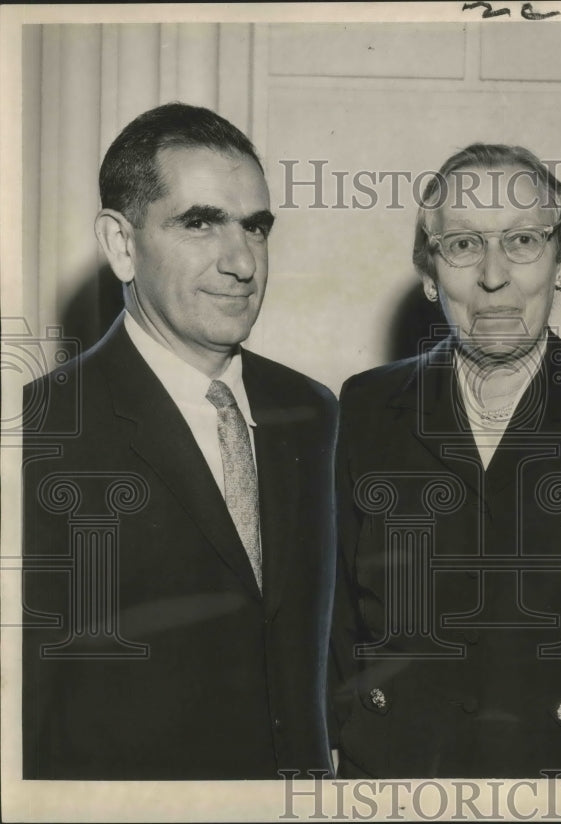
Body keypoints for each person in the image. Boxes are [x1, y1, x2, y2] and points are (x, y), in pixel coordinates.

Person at [21, 103, 338, 779]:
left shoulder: (313, 412)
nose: (242, 262)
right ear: (121, 244)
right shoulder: (40, 432)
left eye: (256, 228)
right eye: (201, 223)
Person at [331, 143, 561, 778]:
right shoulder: (367, 407)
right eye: (462, 244)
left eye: (522, 242)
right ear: (431, 275)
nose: (493, 275)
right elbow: (336, 614)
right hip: (398, 777)